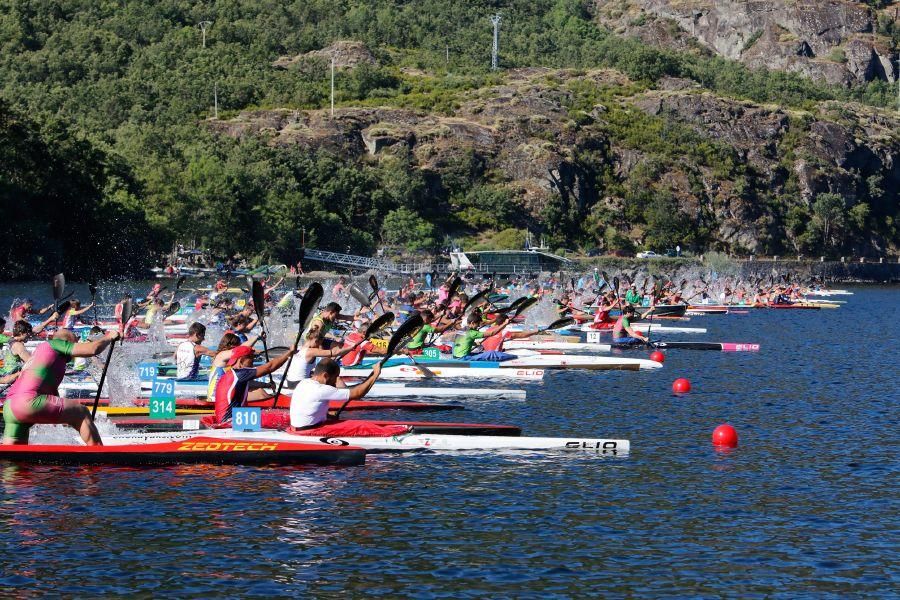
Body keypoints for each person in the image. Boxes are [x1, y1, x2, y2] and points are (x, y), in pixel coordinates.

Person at [2, 329, 120, 445]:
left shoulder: (40, 354)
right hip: (29, 402)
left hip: (10, 406)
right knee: (82, 412)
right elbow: (93, 349)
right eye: (75, 343)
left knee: (14, 457)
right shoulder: (54, 344)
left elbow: (52, 396)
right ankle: (99, 456)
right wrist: (109, 336)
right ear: (67, 342)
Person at [289, 359, 407, 436]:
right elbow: (358, 394)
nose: (335, 381)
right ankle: (397, 431)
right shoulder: (321, 389)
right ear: (325, 375)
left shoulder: (303, 383)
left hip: (296, 429)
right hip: (310, 432)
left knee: (338, 420)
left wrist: (327, 416)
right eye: (335, 377)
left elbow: (307, 410)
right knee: (361, 426)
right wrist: (375, 374)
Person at [210, 344, 297, 426]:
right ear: (241, 360)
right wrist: (289, 353)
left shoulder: (231, 374)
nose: (253, 362)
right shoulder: (240, 373)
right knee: (284, 418)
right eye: (251, 358)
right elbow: (269, 367)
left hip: (228, 419)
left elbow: (250, 384)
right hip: (230, 422)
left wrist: (267, 385)